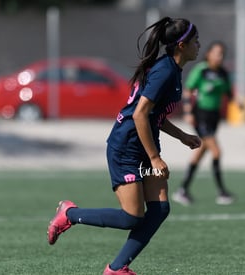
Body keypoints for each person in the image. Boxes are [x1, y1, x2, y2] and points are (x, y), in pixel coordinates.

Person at [47, 17, 201, 275]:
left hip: (143, 146)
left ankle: (117, 269)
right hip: (126, 149)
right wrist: (154, 159)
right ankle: (70, 214)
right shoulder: (165, 71)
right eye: (196, 40)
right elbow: (140, 115)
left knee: (160, 208)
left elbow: (154, 117)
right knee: (132, 217)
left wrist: (183, 136)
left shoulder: (172, 70)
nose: (199, 45)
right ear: (182, 45)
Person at [171, 40, 238, 206]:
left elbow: (229, 94)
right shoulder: (201, 70)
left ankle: (182, 190)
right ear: (208, 54)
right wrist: (187, 112)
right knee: (216, 152)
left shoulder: (223, 73)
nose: (219, 56)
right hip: (200, 115)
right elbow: (188, 90)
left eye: (222, 54)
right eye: (216, 53)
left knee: (200, 152)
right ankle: (222, 192)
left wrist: (238, 103)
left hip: (214, 117)